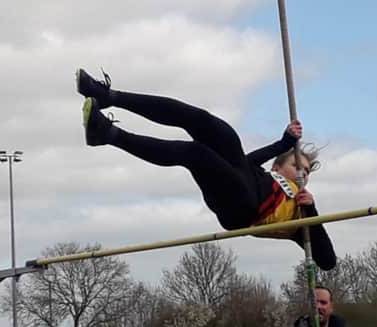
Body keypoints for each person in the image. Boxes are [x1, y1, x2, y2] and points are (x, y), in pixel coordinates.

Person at [75, 69, 336, 271]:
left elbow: (327, 261)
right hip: (240, 182)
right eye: (296, 166)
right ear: (278, 166)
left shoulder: (300, 213)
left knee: (196, 153)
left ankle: (108, 134)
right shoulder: (266, 175)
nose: (302, 174)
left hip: (245, 210)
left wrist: (311, 209)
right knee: (209, 125)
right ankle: (108, 97)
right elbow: (247, 161)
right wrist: (283, 143)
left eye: (307, 172)